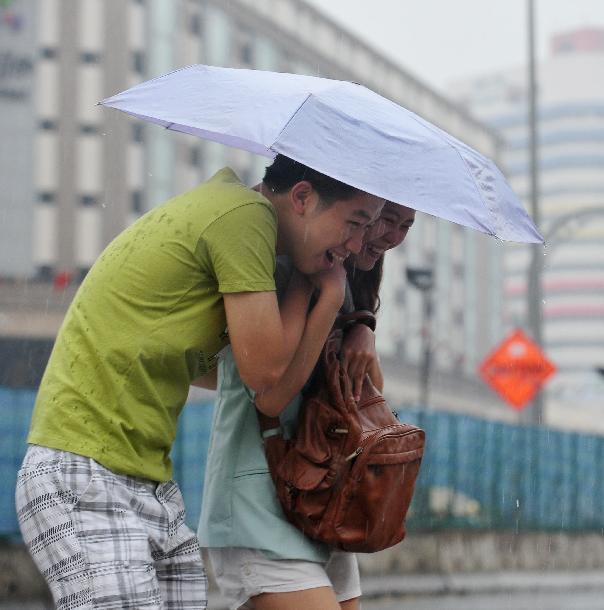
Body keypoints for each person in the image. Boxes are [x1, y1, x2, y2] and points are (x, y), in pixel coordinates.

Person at [15, 154, 384, 609]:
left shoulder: (234, 219)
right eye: (355, 222)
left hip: (144, 478)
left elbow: (232, 372)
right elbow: (265, 374)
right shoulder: (245, 217)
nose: (356, 243)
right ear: (303, 197)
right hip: (84, 469)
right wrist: (318, 288)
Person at [199, 201, 416, 610]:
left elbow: (371, 404)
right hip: (260, 506)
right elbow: (271, 395)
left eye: (407, 225)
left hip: (323, 502)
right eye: (383, 219)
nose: (393, 236)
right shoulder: (283, 274)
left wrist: (361, 328)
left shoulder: (350, 288)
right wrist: (330, 299)